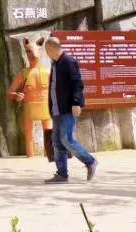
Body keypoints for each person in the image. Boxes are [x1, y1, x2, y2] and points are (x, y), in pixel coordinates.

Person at [43, 36, 98, 184]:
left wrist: (76, 103)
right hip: (56, 109)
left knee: (67, 140)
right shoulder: (55, 64)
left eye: (47, 51)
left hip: (67, 108)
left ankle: (90, 161)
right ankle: (62, 175)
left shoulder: (69, 61)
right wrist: (51, 107)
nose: (46, 54)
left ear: (51, 49)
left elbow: (77, 83)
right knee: (57, 142)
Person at [6, 37, 54, 160]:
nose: (31, 54)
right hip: (29, 106)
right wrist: (16, 95)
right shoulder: (23, 73)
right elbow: (9, 92)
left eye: (32, 51)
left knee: (48, 130)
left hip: (45, 106)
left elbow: (57, 90)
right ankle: (30, 155)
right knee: (28, 133)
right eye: (28, 51)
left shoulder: (48, 72)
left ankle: (48, 154)